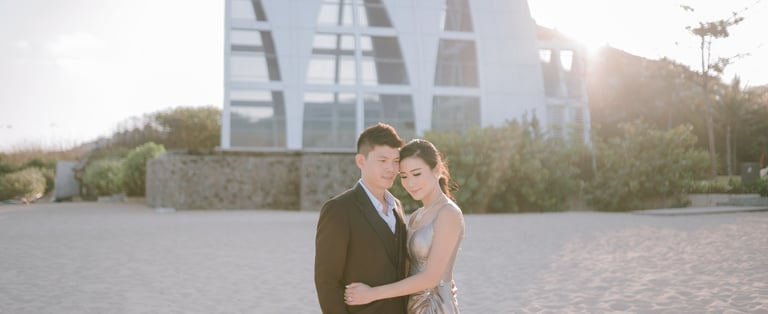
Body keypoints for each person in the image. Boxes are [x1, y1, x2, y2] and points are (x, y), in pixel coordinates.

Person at [344, 139, 465, 313]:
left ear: (436, 169)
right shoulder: (416, 215)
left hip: (435, 306)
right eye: (404, 176)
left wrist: (372, 294)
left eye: (416, 174)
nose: (410, 183)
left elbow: (431, 278)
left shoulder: (448, 213)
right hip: (410, 305)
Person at [314, 122, 409, 314]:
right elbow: (327, 281)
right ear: (360, 161)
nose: (391, 168)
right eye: (382, 161)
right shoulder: (338, 209)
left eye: (395, 161)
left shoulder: (397, 206)